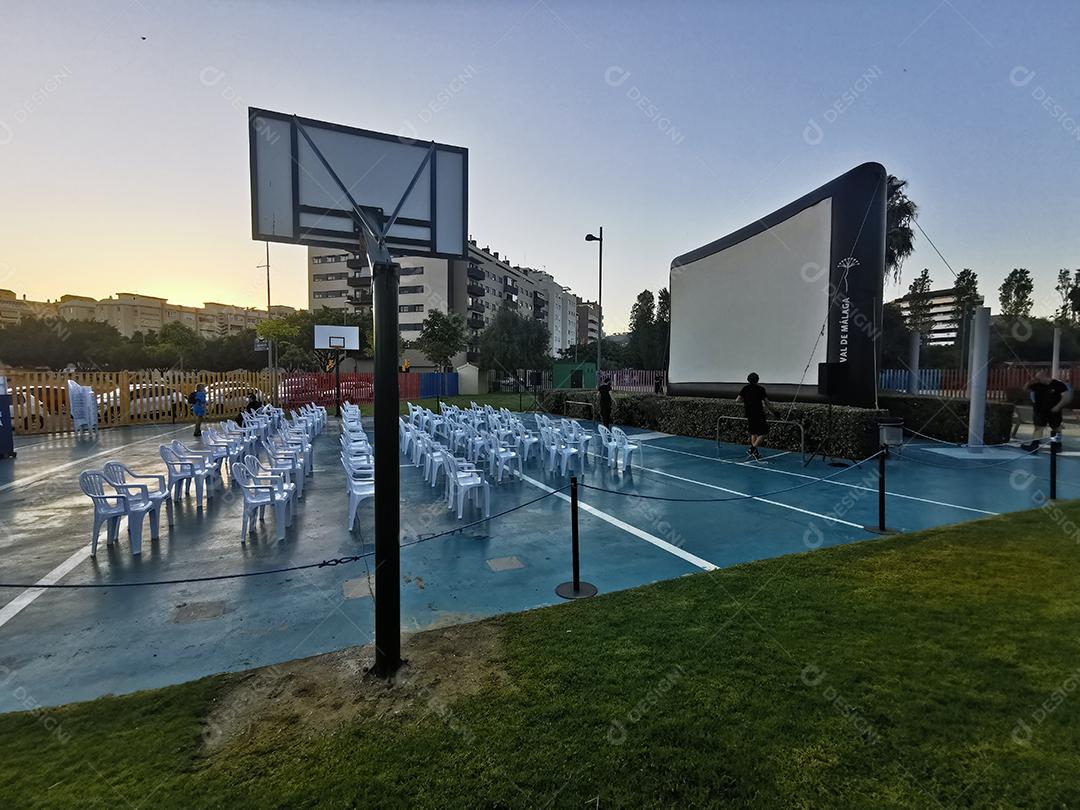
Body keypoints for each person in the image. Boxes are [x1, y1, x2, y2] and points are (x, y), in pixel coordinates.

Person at [1021, 370, 1071, 451]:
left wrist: (1058, 406)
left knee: (1056, 428)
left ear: (1045, 376)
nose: (1037, 380)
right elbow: (1025, 390)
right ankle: (1034, 445)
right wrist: (1028, 383)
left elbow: (1066, 397)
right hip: (1040, 410)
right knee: (1038, 427)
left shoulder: (1058, 384)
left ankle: (1057, 445)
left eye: (1038, 378)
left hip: (1054, 410)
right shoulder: (1037, 385)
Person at [735, 372, 774, 461]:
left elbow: (737, 400)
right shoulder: (760, 389)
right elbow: (767, 402)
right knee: (764, 432)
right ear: (757, 380)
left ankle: (754, 452)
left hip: (749, 413)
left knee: (754, 432)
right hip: (758, 413)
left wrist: (747, 401)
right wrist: (774, 411)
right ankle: (752, 449)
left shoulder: (745, 388)